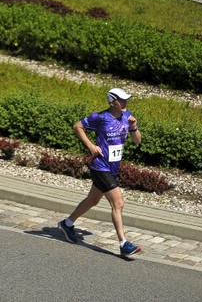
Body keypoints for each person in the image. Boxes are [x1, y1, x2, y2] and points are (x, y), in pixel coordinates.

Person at [57, 88, 143, 256]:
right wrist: (91, 146)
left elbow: (138, 141)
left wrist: (134, 127)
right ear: (112, 102)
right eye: (121, 99)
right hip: (100, 166)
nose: (125, 102)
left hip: (113, 167)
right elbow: (78, 126)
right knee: (118, 203)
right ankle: (123, 243)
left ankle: (67, 224)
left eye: (126, 99)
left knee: (92, 200)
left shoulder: (127, 116)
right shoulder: (101, 117)